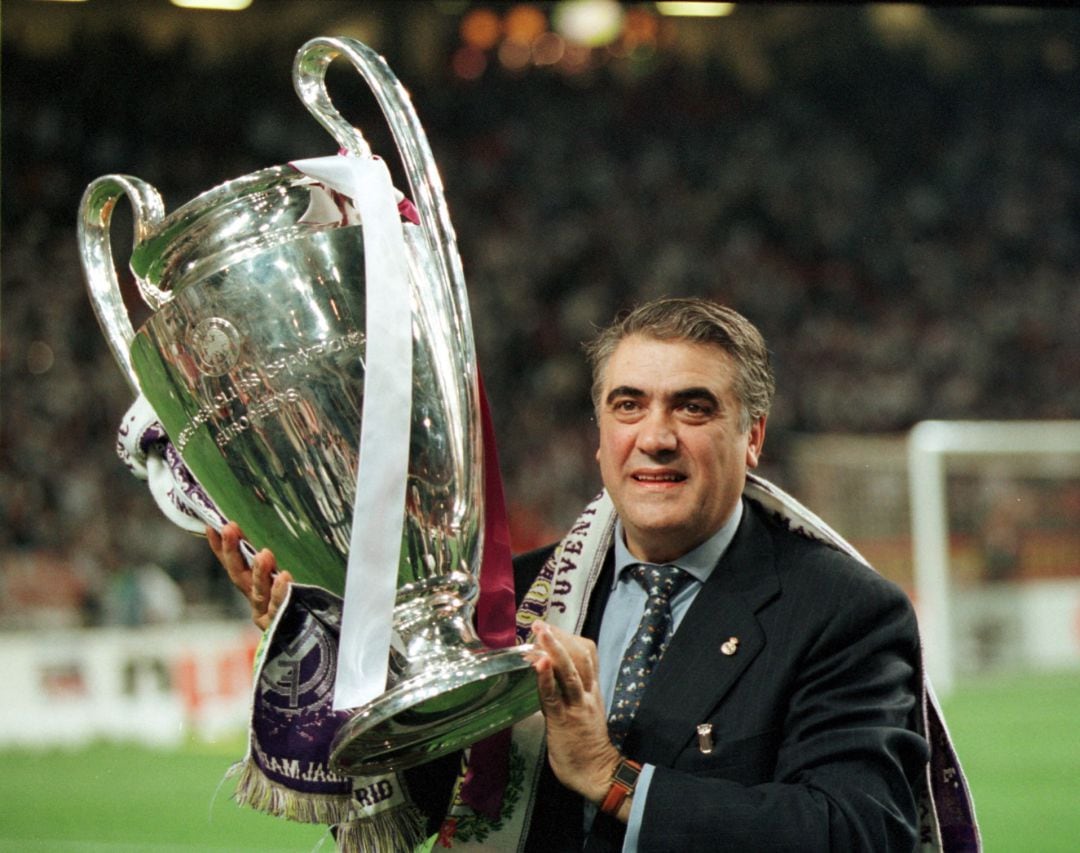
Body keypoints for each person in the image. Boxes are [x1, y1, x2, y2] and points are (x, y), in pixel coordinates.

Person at [211, 297, 956, 851]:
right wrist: (330, 659)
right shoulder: (510, 599)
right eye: (628, 405)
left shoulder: (843, 610)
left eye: (693, 408)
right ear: (599, 437)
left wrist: (615, 779)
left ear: (751, 435)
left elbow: (862, 832)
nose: (655, 437)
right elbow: (428, 809)